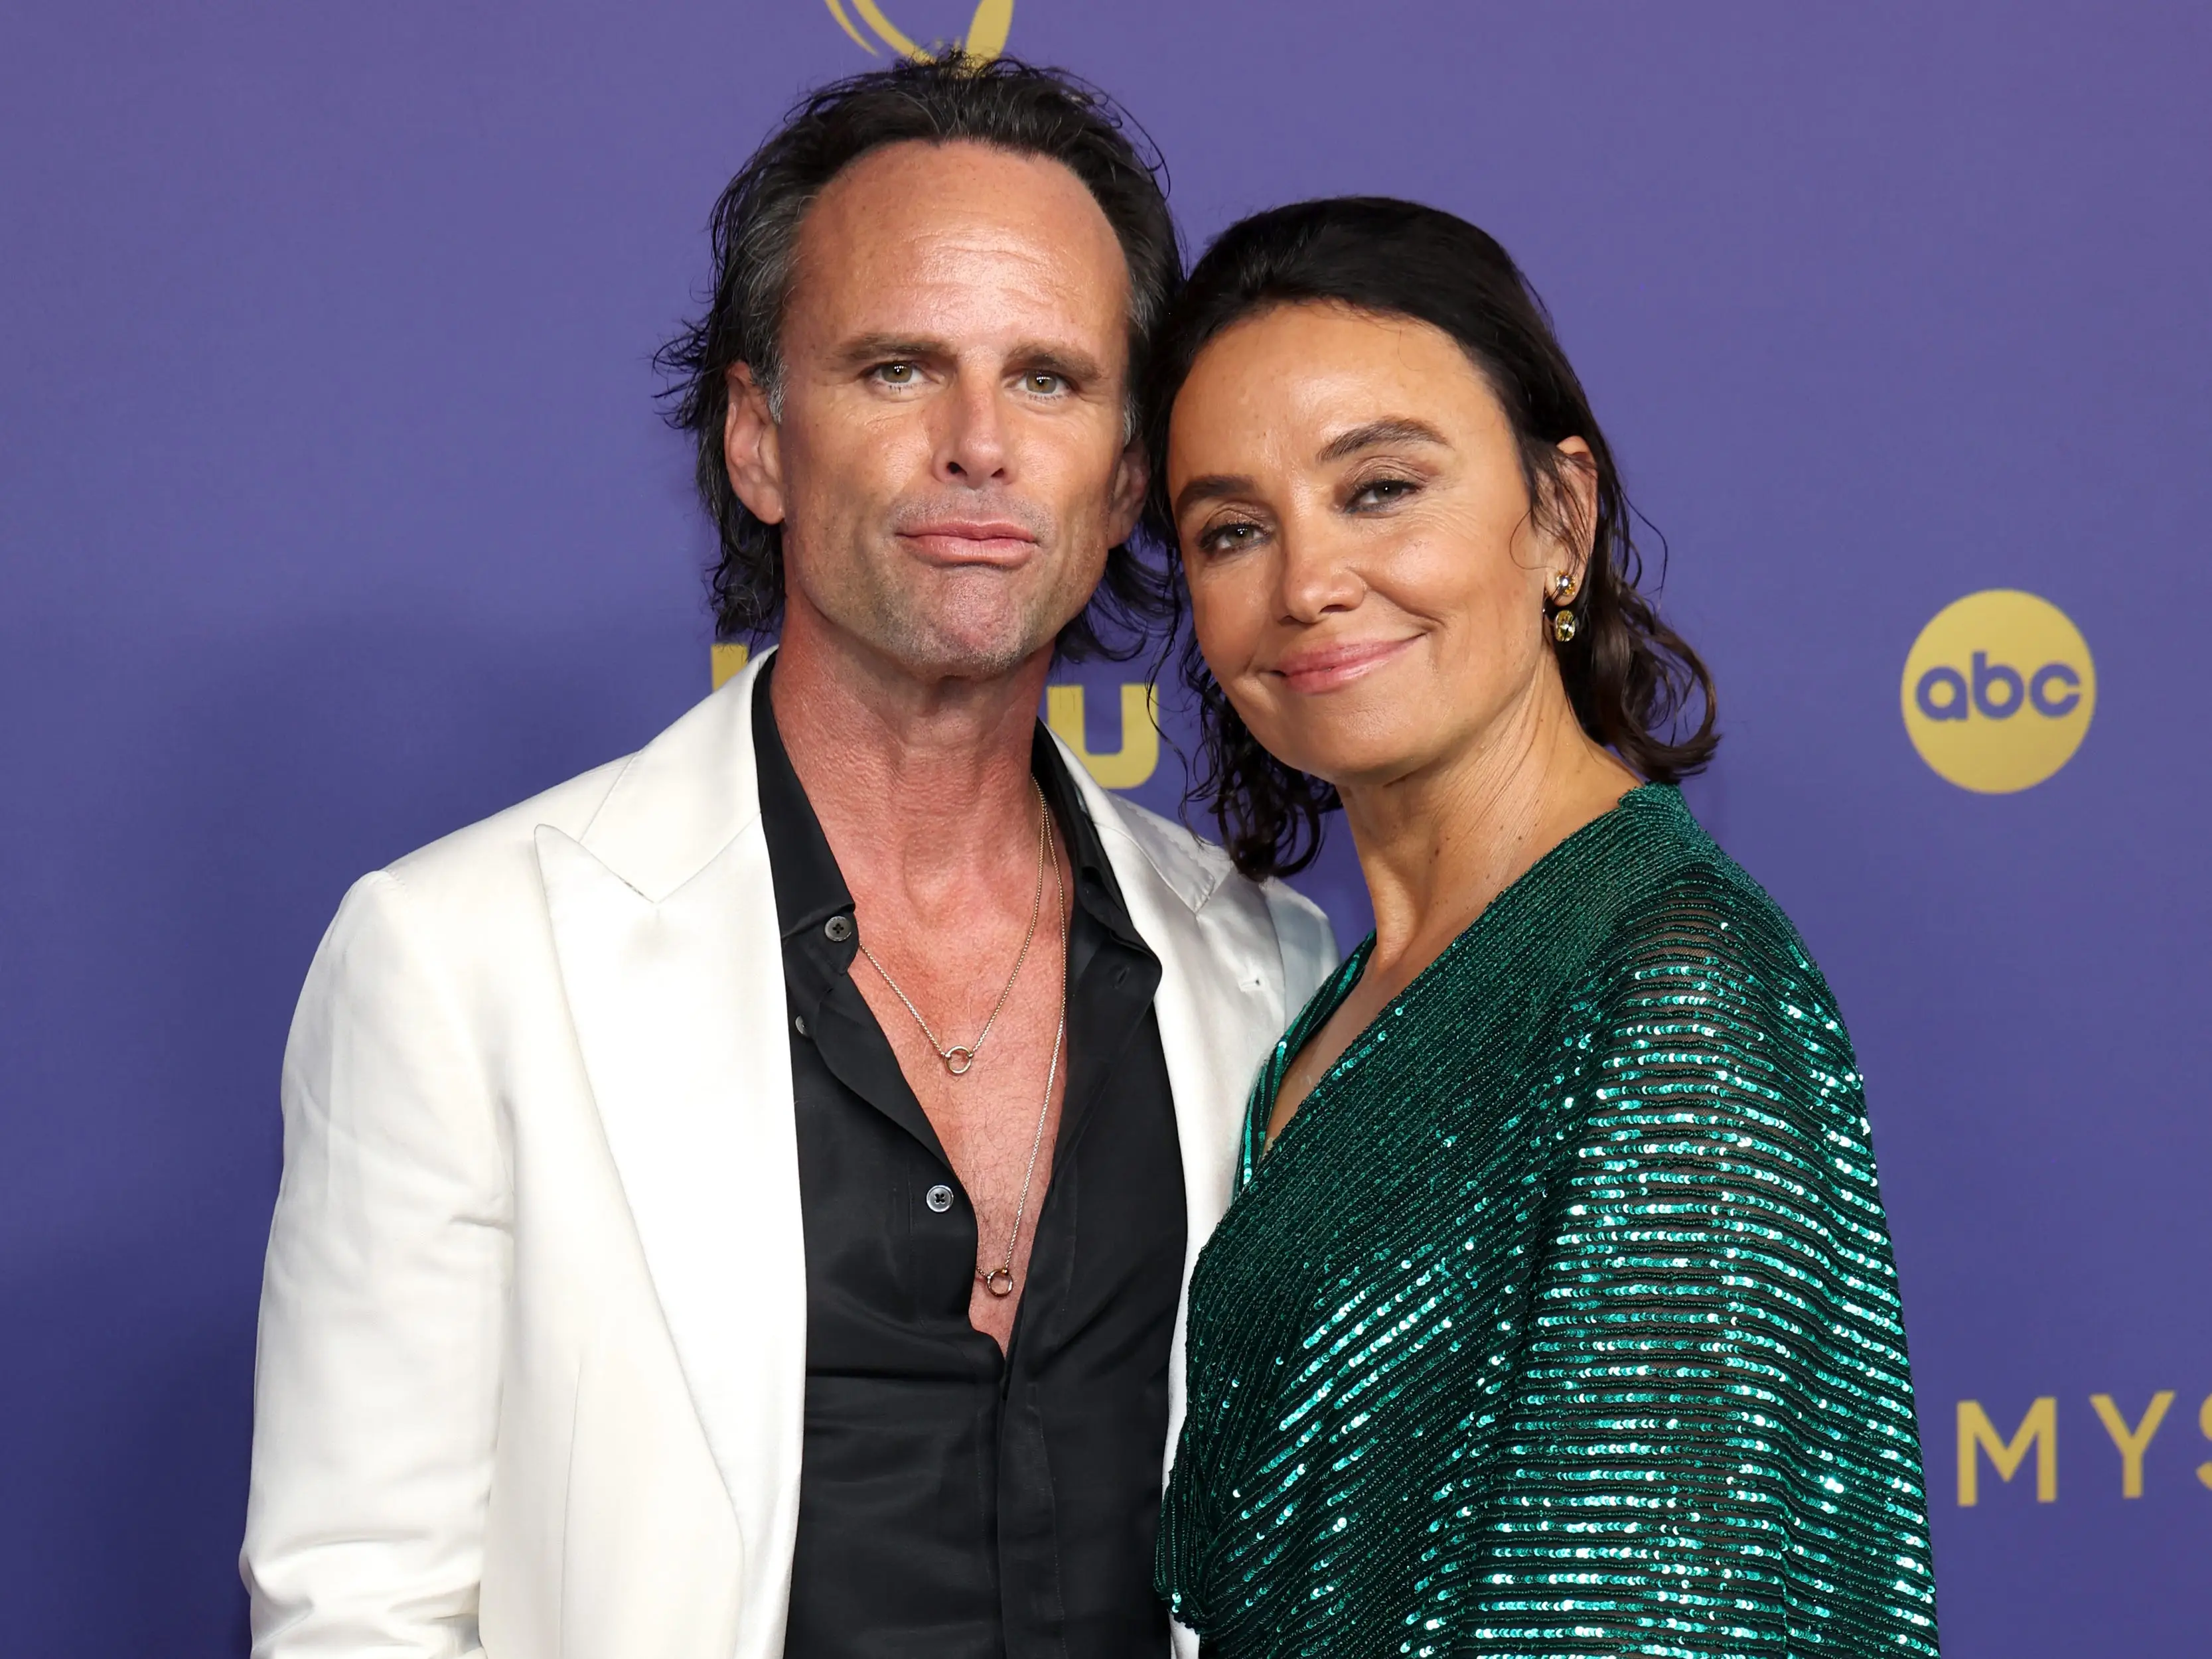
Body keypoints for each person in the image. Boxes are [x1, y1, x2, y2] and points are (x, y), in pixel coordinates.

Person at [240, 58, 1335, 1659]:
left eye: (1046, 377)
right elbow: (360, 1610)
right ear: (759, 437)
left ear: (1121, 478)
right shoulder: (457, 958)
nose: (977, 443)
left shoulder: (1272, 965)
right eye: (898, 368)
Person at [1142, 198, 1939, 1658]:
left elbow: (1656, 1619)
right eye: (1233, 528)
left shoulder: (1669, 983)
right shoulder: (1339, 993)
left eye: (1380, 486)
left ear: (1557, 516)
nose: (1307, 581)